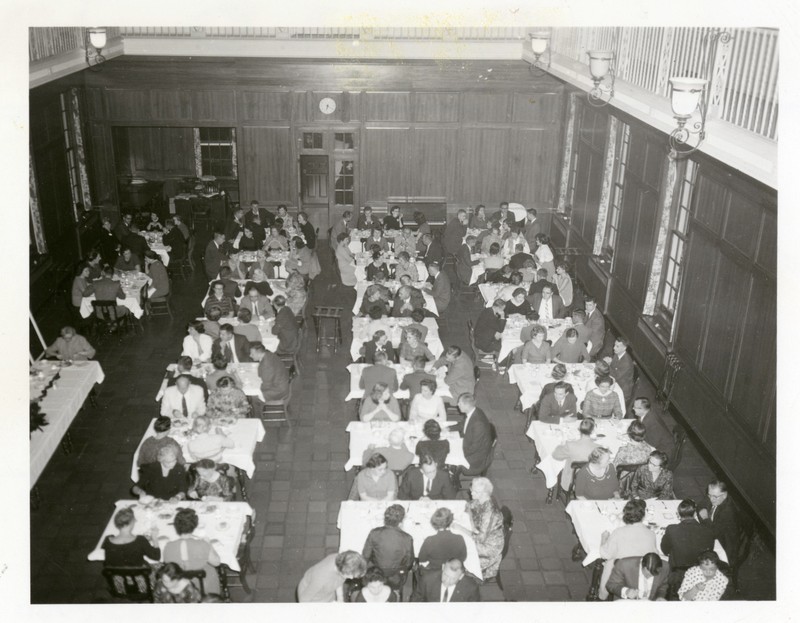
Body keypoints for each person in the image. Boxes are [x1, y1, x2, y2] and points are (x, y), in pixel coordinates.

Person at [598, 499, 658, 600]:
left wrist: (604, 539)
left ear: (625, 516)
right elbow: (655, 554)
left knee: (609, 562)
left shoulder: (618, 532)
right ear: (643, 516)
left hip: (622, 576)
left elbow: (605, 554)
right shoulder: (651, 534)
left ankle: (602, 595)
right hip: (643, 576)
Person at [661, 499, 716, 597]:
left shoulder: (671, 529)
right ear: (694, 514)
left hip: (677, 574)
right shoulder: (708, 530)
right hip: (700, 572)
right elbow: (710, 551)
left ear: (678, 514)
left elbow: (665, 550)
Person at [162, 507, 222, 594]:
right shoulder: (202, 544)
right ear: (195, 526)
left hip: (179, 586)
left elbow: (170, 567)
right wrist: (209, 544)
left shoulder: (168, 546)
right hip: (204, 585)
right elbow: (217, 562)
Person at [361, 504, 414, 592]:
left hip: (376, 575)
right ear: (401, 521)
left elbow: (365, 556)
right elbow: (409, 563)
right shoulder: (407, 538)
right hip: (396, 578)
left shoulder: (374, 533)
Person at [467, 477, 505, 579]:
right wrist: (471, 523)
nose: (471, 493)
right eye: (472, 489)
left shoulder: (490, 513)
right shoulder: (481, 500)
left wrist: (462, 528)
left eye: (475, 491)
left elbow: (480, 539)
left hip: (488, 547)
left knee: (458, 547)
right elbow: (468, 506)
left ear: (484, 494)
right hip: (480, 533)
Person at [697, 479, 740, 568]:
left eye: (714, 496)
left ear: (724, 495)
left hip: (723, 545)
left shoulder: (728, 512)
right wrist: (703, 510)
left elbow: (713, 533)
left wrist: (705, 518)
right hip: (714, 531)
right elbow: (701, 504)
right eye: (709, 495)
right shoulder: (715, 497)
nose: (711, 499)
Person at [297, 551, 367, 602]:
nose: (351, 578)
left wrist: (340, 598)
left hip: (327, 595)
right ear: (343, 571)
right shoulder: (321, 578)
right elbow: (303, 600)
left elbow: (338, 581)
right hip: (314, 600)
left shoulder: (341, 561)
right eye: (352, 575)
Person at [552, 418, 599, 491]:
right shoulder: (598, 448)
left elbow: (555, 455)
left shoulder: (570, 445)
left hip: (572, 482)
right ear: (592, 431)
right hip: (594, 482)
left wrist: (562, 444)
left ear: (579, 429)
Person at [457, 393, 493, 477]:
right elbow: (463, 425)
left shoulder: (478, 424)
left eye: (460, 403)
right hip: (469, 443)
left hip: (477, 456)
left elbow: (474, 448)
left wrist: (458, 453)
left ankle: (454, 480)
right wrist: (448, 429)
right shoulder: (474, 411)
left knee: (451, 459)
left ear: (467, 406)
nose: (457, 404)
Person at [412, 558, 481, 602]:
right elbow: (415, 602)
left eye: (452, 578)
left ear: (461, 576)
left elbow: (473, 613)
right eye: (445, 575)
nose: (447, 581)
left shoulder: (471, 587)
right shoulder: (427, 579)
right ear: (443, 567)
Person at [605, 337, 635, 404]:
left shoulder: (626, 362)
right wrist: (610, 361)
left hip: (622, 389)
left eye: (617, 346)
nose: (614, 348)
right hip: (615, 381)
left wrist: (607, 364)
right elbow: (614, 367)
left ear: (624, 348)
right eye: (614, 345)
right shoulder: (617, 353)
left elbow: (615, 376)